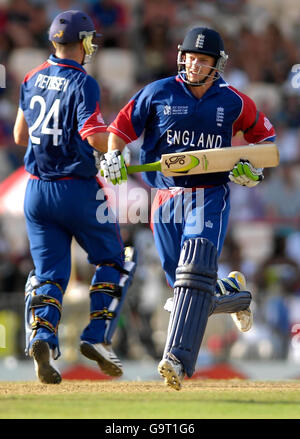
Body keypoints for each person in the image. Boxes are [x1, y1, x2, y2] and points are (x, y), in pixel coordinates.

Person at [100, 27, 276, 390]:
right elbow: (119, 128)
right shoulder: (158, 92)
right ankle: (235, 293)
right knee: (187, 290)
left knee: (193, 271)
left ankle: (176, 361)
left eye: (203, 60)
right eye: (191, 57)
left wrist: (251, 169)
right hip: (164, 199)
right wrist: (113, 156)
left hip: (209, 194)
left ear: (217, 65)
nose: (194, 65)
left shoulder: (233, 102)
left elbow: (265, 139)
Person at [13, 10, 136, 384]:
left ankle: (43, 336)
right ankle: (96, 336)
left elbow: (21, 135)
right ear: (83, 43)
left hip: (35, 190)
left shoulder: (31, 77)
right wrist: (117, 148)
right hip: (77, 189)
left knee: (49, 275)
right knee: (116, 259)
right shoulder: (83, 82)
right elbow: (92, 133)